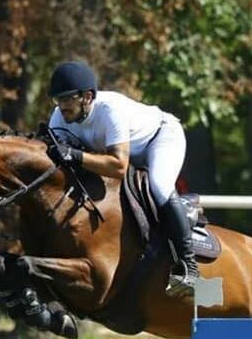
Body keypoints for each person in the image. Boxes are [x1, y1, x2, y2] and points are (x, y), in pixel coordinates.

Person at [45, 60, 197, 297]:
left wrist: (75, 154)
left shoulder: (109, 111)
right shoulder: (59, 117)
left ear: (86, 97)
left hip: (160, 138)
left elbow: (117, 166)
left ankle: (189, 268)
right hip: (126, 151)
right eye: (58, 100)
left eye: (67, 99)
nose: (61, 106)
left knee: (158, 186)